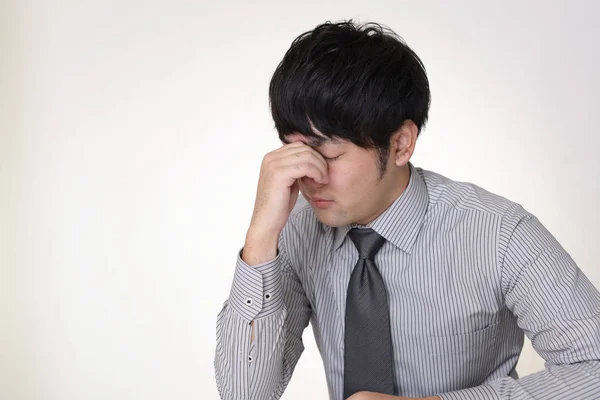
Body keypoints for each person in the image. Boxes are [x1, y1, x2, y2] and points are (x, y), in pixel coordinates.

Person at [214, 20, 600, 400]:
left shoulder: (498, 232)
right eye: (294, 151)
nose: (308, 175)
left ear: (400, 144)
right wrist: (260, 237)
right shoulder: (297, 232)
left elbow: (594, 369)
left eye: (328, 154)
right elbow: (244, 394)